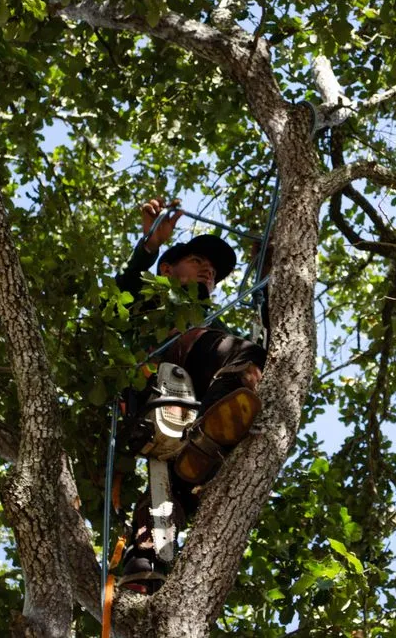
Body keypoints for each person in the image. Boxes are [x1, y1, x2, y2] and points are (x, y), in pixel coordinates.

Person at [114, 198, 267, 593]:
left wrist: (268, 268)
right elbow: (125, 288)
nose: (208, 270)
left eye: (213, 271)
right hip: (152, 390)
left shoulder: (209, 326)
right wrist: (150, 245)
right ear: (168, 269)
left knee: (175, 488)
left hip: (183, 412)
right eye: (197, 261)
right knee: (241, 353)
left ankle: (145, 560)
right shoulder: (152, 298)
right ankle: (209, 430)